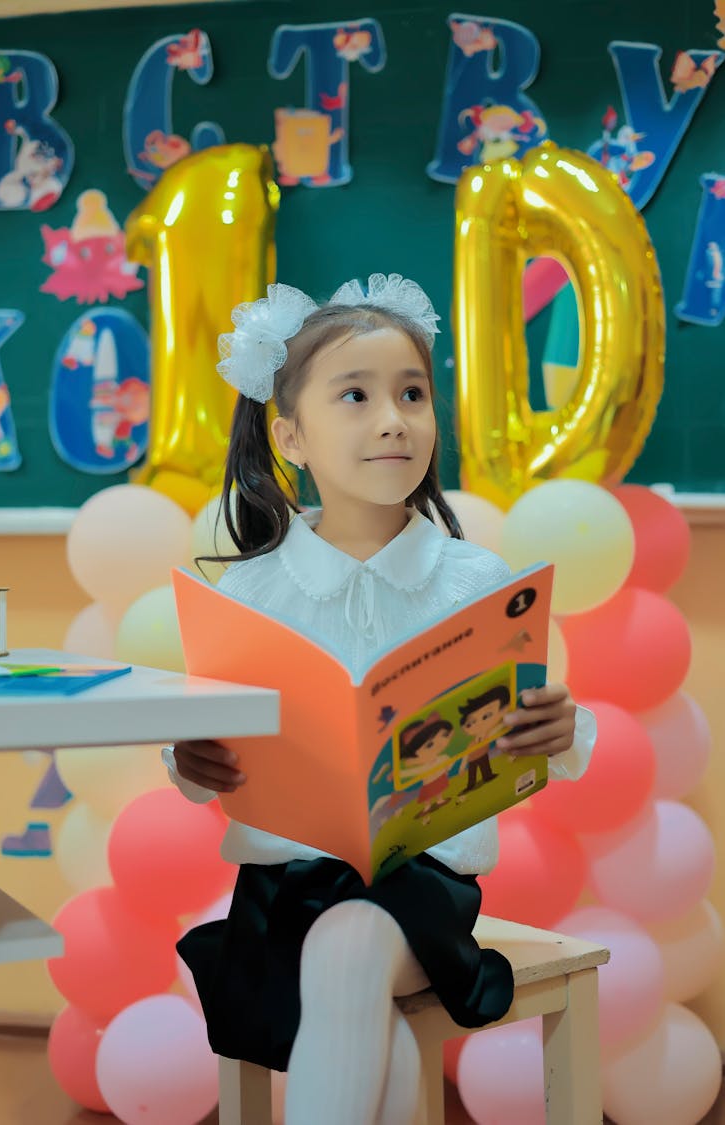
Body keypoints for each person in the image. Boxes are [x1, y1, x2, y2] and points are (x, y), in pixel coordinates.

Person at [164, 273, 596, 1125]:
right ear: (290, 434)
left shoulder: (477, 580)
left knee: (355, 944)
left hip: (425, 883)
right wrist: (188, 758)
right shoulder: (249, 592)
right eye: (355, 396)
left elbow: (543, 729)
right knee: (353, 970)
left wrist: (562, 728)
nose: (394, 418)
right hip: (286, 888)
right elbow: (196, 759)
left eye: (412, 393)